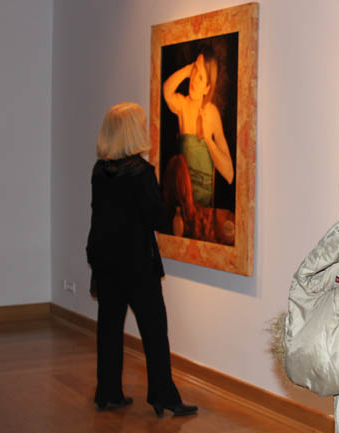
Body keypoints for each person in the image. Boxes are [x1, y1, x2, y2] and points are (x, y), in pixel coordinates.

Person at [86, 102, 198, 418]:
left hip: (105, 260)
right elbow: (157, 219)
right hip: (137, 263)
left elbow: (100, 215)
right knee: (154, 332)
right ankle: (163, 396)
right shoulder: (141, 172)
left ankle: (107, 392)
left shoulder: (100, 171)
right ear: (132, 132)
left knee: (109, 328)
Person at [163, 49, 234, 209]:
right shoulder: (182, 105)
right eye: (194, 71)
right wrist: (188, 69)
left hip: (204, 209)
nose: (194, 80)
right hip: (182, 204)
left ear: (207, 88)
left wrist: (208, 139)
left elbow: (229, 174)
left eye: (201, 77)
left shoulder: (212, 113)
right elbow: (167, 90)